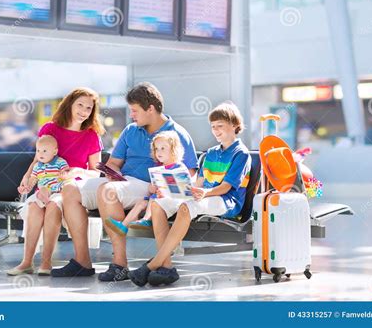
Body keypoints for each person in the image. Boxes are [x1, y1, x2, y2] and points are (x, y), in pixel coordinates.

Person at [51, 82, 198, 281]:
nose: (132, 115)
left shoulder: (177, 134)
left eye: (135, 110)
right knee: (70, 189)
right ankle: (82, 262)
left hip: (150, 186)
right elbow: (113, 163)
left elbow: (189, 174)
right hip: (124, 182)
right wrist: (112, 172)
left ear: (151, 109)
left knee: (107, 190)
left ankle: (119, 265)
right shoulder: (131, 130)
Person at [129, 102, 252, 286]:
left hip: (226, 201)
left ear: (234, 125)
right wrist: (181, 188)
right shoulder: (211, 153)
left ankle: (152, 264)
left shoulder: (241, 154)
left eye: (220, 126)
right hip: (204, 196)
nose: (216, 131)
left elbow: (226, 187)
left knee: (187, 207)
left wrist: (203, 193)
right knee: (157, 204)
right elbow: (199, 182)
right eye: (213, 127)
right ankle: (167, 267)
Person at [7, 87, 104, 276]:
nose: (84, 111)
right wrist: (27, 178)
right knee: (35, 207)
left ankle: (46, 263)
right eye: (80, 105)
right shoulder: (50, 129)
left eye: (88, 108)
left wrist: (78, 171)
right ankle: (26, 262)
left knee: (53, 206)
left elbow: (96, 172)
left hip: (70, 189)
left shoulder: (92, 135)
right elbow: (38, 160)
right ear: (69, 104)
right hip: (45, 186)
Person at [104, 130, 186, 235]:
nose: (159, 152)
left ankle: (146, 219)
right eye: (156, 149)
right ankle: (123, 226)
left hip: (171, 200)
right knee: (141, 203)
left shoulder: (179, 167)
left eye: (163, 148)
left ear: (173, 150)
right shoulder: (158, 168)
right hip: (156, 198)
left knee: (152, 201)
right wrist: (152, 188)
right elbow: (152, 189)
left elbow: (184, 187)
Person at [22, 135, 71, 208]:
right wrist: (28, 186)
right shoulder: (37, 166)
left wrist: (64, 174)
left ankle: (48, 200)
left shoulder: (60, 161)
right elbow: (33, 178)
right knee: (42, 190)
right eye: (38, 150)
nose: (40, 153)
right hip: (45, 189)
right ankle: (45, 200)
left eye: (44, 151)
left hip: (58, 187)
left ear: (54, 152)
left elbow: (67, 171)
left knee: (67, 186)